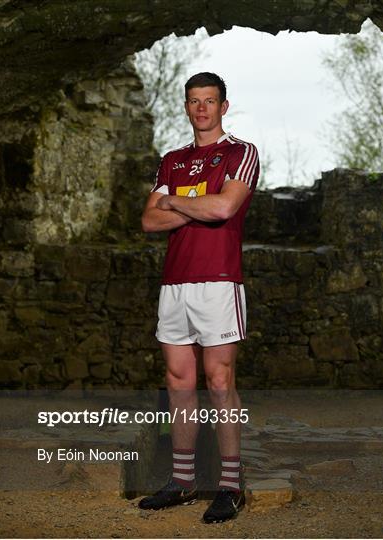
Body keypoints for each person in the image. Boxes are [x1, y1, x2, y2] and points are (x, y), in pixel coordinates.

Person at [139, 72, 259, 524]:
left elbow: (225, 208)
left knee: (220, 379)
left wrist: (174, 203)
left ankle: (230, 485)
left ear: (224, 106)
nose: (202, 109)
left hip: (218, 280)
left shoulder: (240, 152)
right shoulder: (171, 159)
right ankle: (183, 481)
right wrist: (196, 204)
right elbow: (149, 222)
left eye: (210, 101)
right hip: (175, 283)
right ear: (187, 107)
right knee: (178, 380)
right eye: (194, 101)